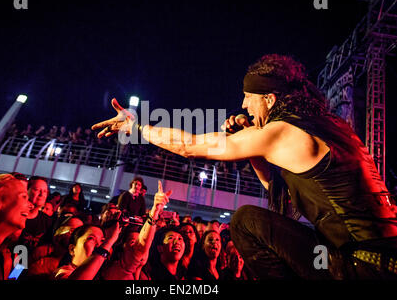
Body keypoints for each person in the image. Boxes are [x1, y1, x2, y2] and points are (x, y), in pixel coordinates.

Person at [92, 54, 397, 279]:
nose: (244, 104)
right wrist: (251, 146)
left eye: (249, 97)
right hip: (379, 258)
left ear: (269, 99)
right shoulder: (325, 126)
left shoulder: (282, 132)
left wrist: (137, 127)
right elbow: (286, 204)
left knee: (245, 221)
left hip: (364, 265)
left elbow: (189, 146)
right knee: (254, 222)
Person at [100, 180, 172, 280]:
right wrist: (154, 213)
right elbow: (142, 245)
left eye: (139, 185)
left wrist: (155, 211)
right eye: (134, 243)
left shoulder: (145, 276)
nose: (141, 247)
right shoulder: (119, 270)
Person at [53, 223, 120, 280]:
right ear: (72, 249)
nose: (99, 245)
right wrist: (107, 244)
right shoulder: (62, 273)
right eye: (91, 238)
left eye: (102, 241)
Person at [18, 176, 53, 252]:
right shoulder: (16, 215)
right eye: (37, 190)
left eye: (45, 191)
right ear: (27, 190)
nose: (41, 194)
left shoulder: (47, 221)